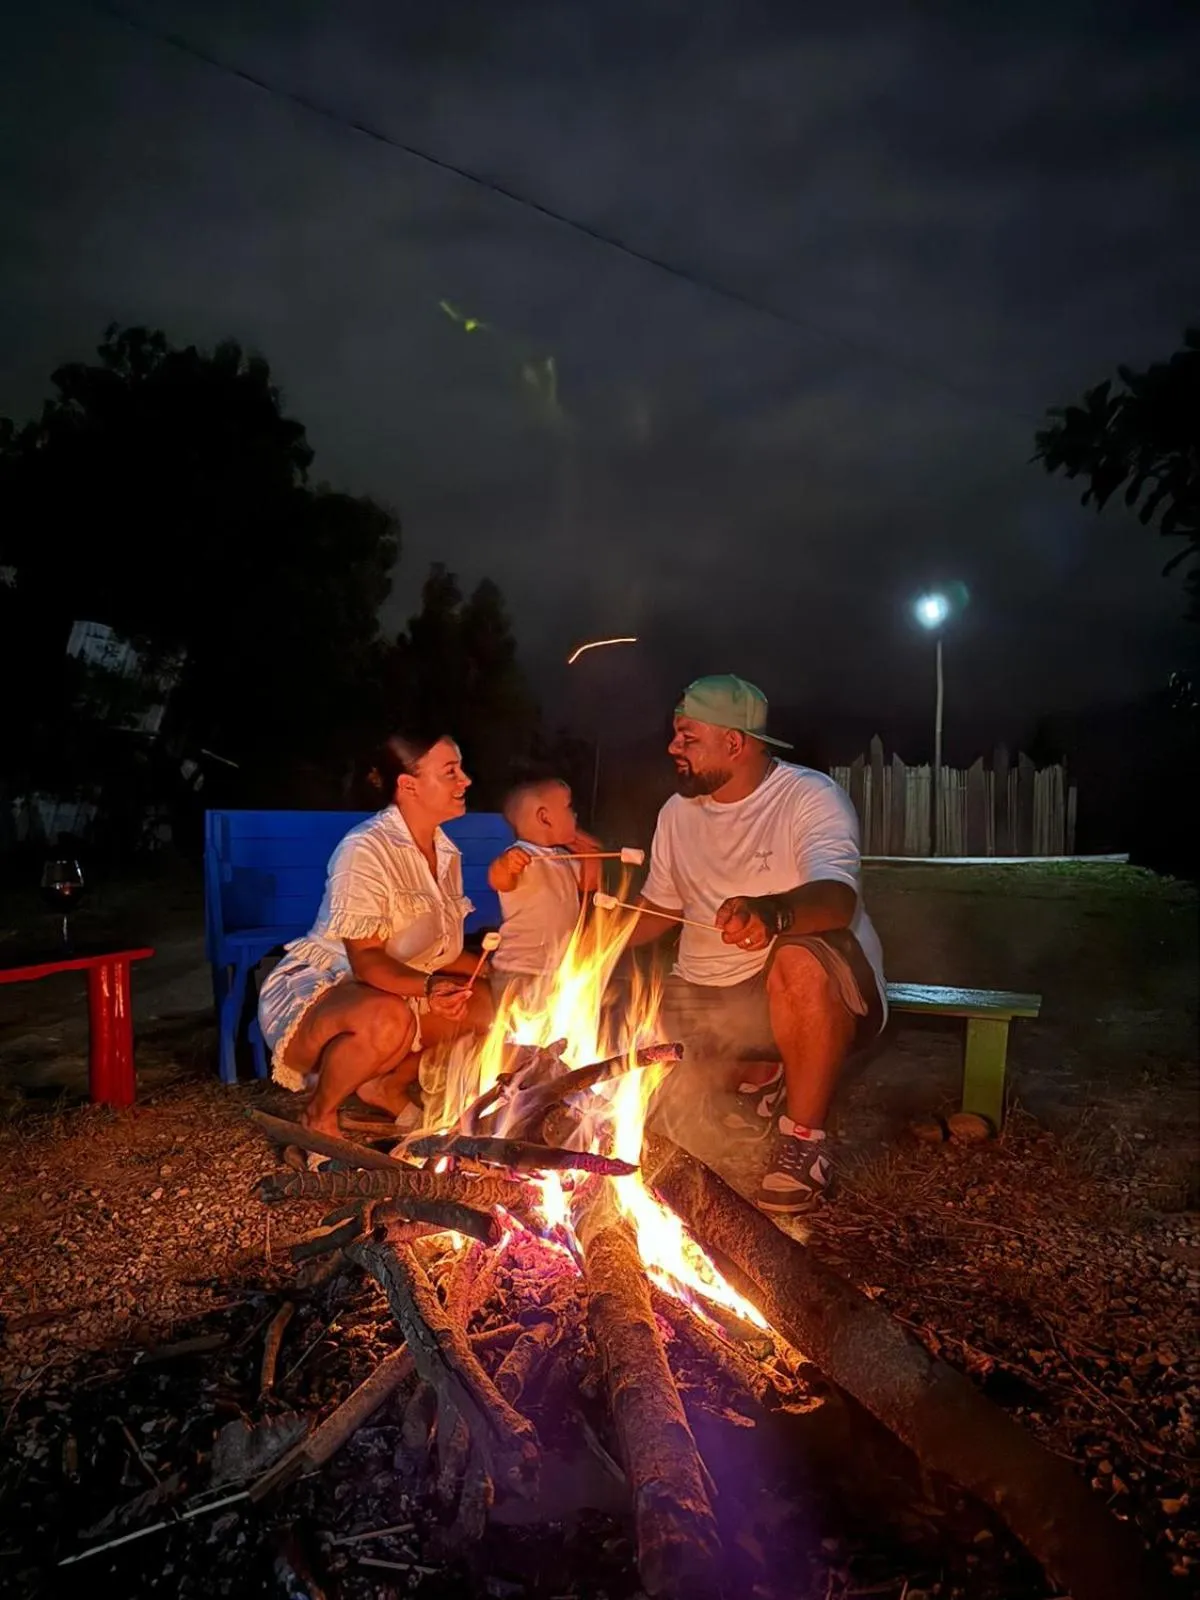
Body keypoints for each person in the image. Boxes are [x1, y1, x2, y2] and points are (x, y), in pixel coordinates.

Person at [629, 675, 886, 1214]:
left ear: (734, 742)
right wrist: (589, 942)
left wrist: (774, 913)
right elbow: (660, 907)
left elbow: (837, 896)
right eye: (675, 734)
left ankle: (804, 1143)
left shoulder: (808, 796)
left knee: (798, 958)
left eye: (687, 737)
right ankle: (759, 1075)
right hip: (703, 995)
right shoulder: (676, 813)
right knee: (632, 1039)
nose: (673, 747)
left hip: (798, 987)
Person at [257, 731, 494, 1138]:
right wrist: (430, 987)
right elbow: (366, 959)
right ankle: (319, 1116)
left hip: (392, 989)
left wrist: (496, 970)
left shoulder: (445, 852)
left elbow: (435, 950)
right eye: (450, 772)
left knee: (485, 1007)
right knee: (389, 1018)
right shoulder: (365, 849)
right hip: (326, 989)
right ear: (408, 785)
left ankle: (385, 1086)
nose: (465, 780)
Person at [487, 778, 602, 992]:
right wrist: (505, 864)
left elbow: (589, 884)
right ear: (544, 818)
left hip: (557, 969)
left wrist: (590, 851)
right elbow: (498, 880)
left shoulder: (563, 858)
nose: (575, 815)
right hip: (519, 969)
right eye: (569, 807)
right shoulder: (520, 855)